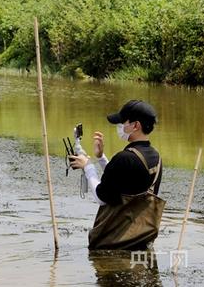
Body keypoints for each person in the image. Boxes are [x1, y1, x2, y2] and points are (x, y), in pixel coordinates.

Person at [70, 99, 164, 250]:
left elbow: (102, 197)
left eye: (122, 122)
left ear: (135, 125)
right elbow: (125, 183)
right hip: (140, 240)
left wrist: (88, 167)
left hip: (115, 242)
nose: (119, 126)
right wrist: (101, 157)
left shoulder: (124, 158)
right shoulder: (155, 157)